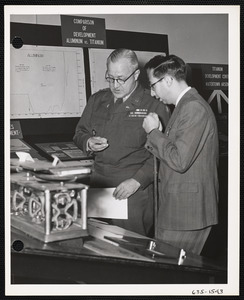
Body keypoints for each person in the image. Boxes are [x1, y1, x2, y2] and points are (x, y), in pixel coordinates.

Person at [73, 48, 170, 236]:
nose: (115, 85)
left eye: (121, 78)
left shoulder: (154, 105)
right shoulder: (97, 100)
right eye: (110, 78)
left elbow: (163, 155)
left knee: (130, 248)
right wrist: (87, 141)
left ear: (135, 75)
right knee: (95, 242)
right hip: (99, 185)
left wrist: (137, 181)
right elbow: (79, 132)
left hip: (131, 190)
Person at [142, 54, 219, 254]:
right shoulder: (184, 106)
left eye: (153, 85)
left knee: (169, 275)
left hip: (186, 213)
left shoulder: (193, 107)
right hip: (179, 210)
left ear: (167, 80)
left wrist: (153, 132)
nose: (152, 93)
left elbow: (179, 160)